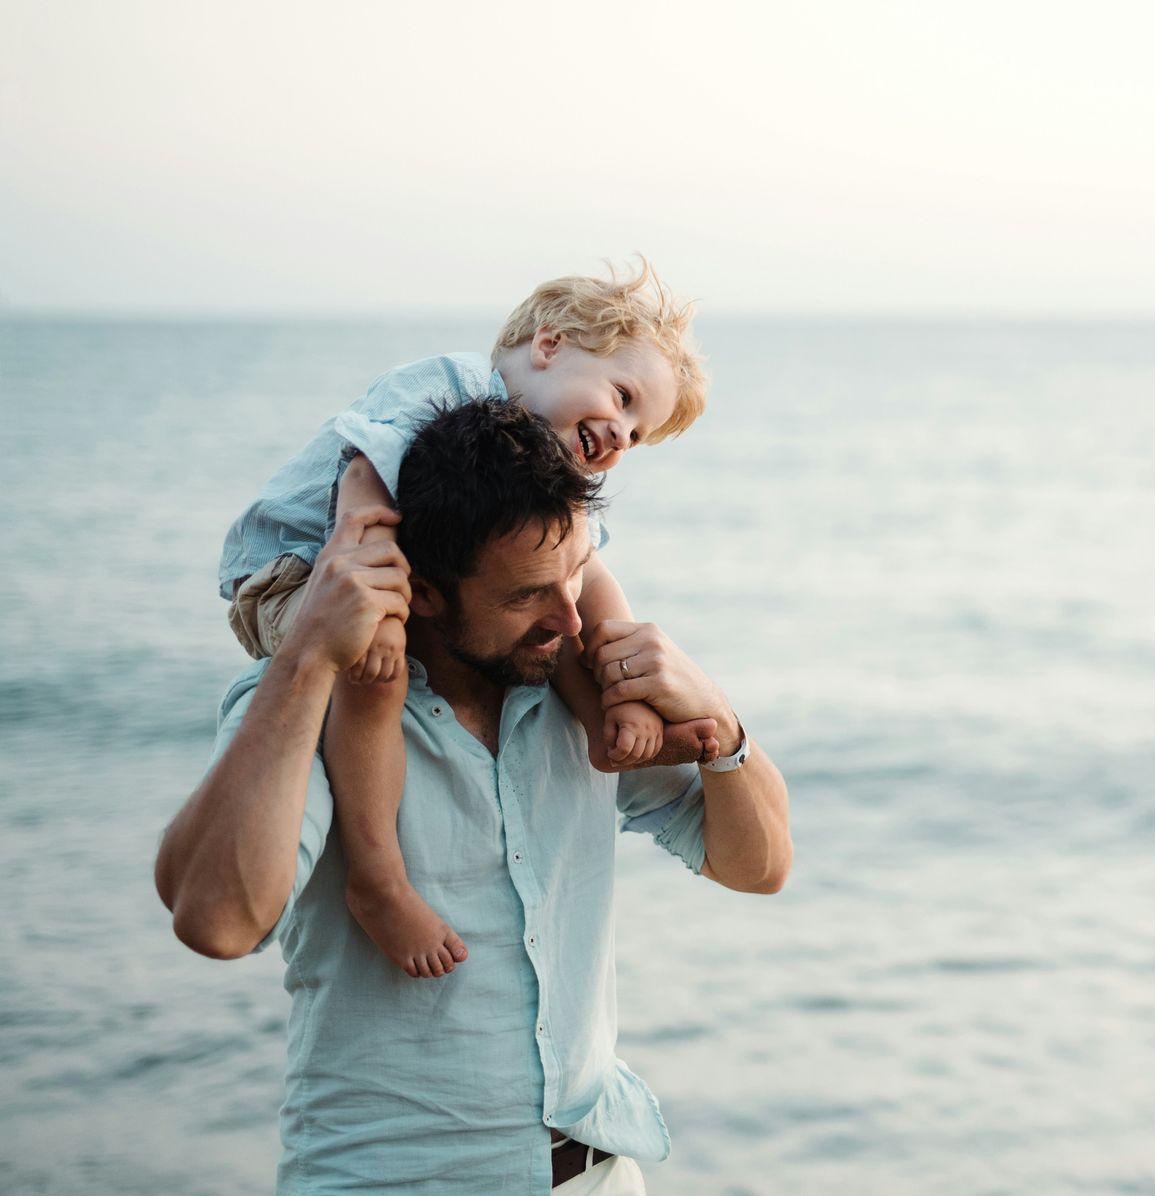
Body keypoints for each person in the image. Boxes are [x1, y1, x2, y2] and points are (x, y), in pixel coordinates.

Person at [157, 400, 790, 1193]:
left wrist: (723, 725)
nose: (568, 618)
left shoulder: (577, 687)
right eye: (528, 595)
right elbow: (215, 921)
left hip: (597, 1174)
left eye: (575, 578)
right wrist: (308, 656)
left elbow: (756, 867)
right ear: (422, 591)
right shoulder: (306, 705)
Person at [218, 261, 715, 979]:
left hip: (382, 560)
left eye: (637, 433)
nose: (620, 435)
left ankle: (611, 721)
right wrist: (369, 594)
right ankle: (378, 879)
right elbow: (362, 477)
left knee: (580, 572)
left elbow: (584, 569)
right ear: (549, 345)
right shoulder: (450, 384)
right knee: (374, 667)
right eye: (623, 395)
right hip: (297, 567)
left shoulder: (540, 463)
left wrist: (627, 682)